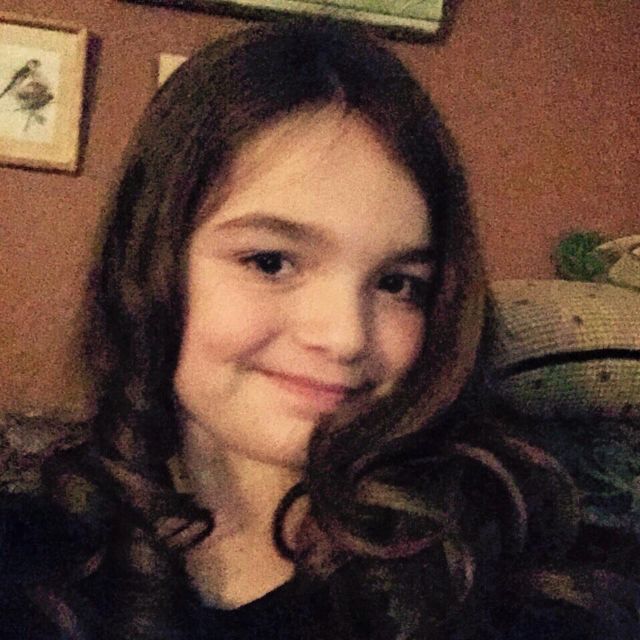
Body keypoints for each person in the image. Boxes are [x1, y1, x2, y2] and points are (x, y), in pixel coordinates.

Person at [1, 17, 637, 640]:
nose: (345, 338)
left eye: (397, 283)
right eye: (271, 262)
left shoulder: (526, 579)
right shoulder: (28, 561)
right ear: (149, 264)